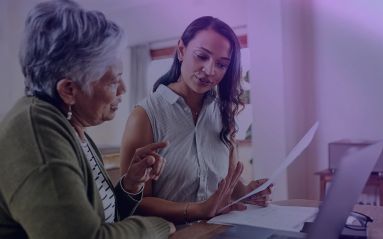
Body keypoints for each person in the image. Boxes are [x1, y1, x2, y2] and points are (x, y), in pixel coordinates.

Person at [0, 1, 174, 238]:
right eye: (113, 81)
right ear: (69, 90)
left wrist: (131, 184)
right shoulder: (36, 133)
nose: (123, 89)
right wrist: (160, 225)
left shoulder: (73, 129)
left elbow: (104, 221)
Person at [120, 16, 272, 224]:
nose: (210, 71)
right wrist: (198, 210)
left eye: (221, 64)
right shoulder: (145, 116)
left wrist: (247, 192)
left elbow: (230, 184)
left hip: (220, 231)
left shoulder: (223, 113)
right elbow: (135, 202)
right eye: (201, 56)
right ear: (181, 50)